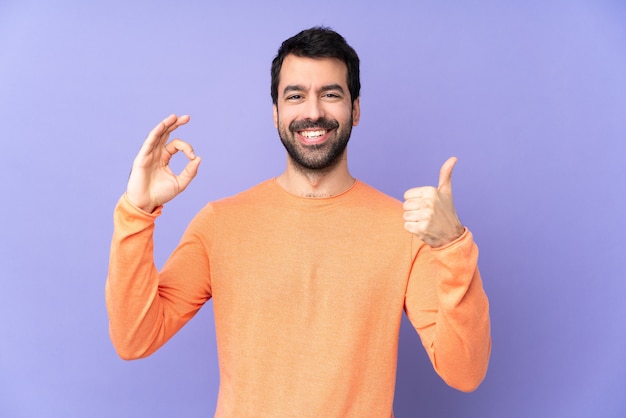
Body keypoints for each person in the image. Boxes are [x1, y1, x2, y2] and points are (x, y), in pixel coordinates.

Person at [106, 26, 491, 417]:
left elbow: (466, 372)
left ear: (355, 109)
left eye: (330, 94)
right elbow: (135, 339)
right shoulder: (219, 225)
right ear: (275, 112)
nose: (313, 111)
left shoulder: (405, 230)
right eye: (295, 96)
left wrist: (453, 246)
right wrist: (137, 211)